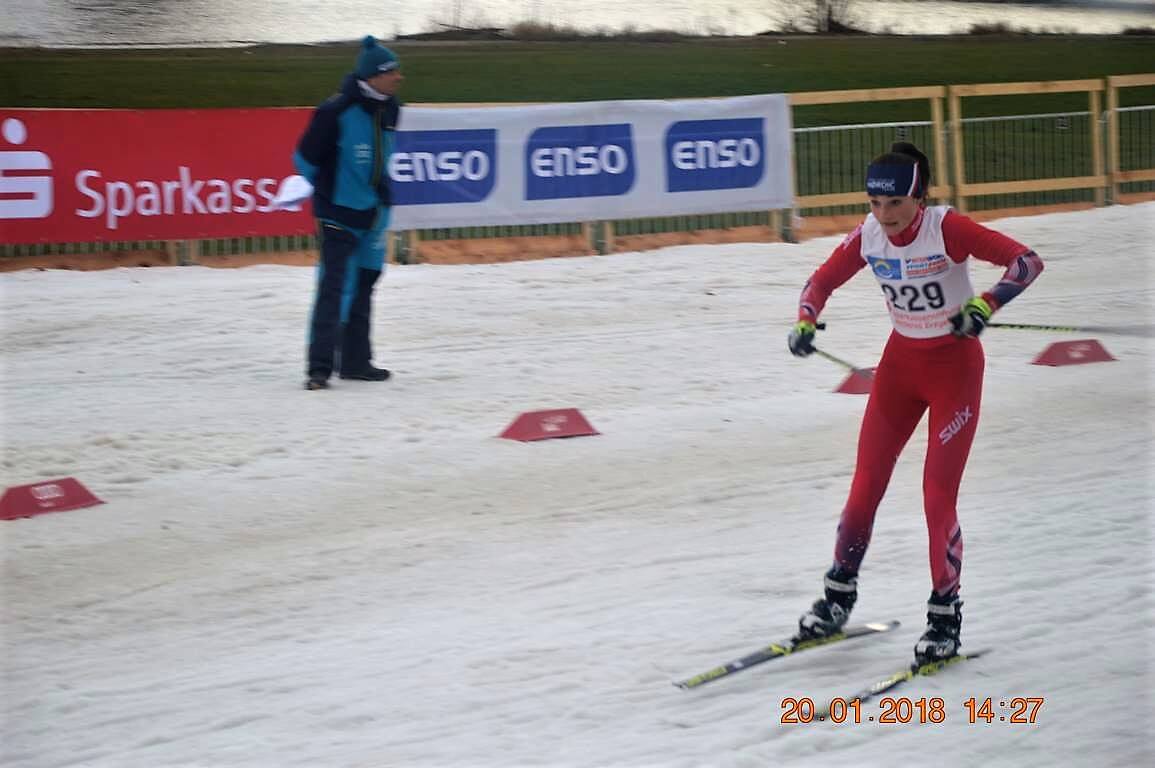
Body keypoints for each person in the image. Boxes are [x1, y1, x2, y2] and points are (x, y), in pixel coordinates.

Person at [786, 141, 1045, 664]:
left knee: (936, 497)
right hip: (899, 370)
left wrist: (985, 304)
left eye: (895, 204)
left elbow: (1026, 261)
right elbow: (820, 282)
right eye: (875, 204)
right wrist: (805, 321)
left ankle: (944, 618)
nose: (885, 216)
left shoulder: (946, 229)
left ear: (918, 198)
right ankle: (837, 598)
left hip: (955, 373)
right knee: (864, 488)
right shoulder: (869, 234)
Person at [293, 35, 404, 390]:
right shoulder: (335, 112)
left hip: (375, 214)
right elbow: (305, 160)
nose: (398, 77)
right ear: (372, 76)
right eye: (391, 72)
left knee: (364, 286)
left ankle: (356, 363)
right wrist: (331, 194)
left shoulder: (391, 108)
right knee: (334, 289)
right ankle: (319, 369)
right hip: (338, 215)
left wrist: (380, 195)